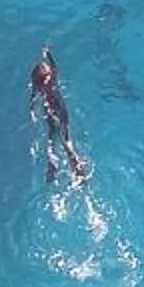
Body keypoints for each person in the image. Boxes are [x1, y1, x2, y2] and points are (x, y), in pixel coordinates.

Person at [28, 48, 90, 187]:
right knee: (66, 142)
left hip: (51, 115)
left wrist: (32, 112)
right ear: (46, 73)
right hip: (60, 113)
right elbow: (55, 66)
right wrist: (48, 53)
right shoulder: (52, 79)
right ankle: (79, 173)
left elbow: (33, 99)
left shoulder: (39, 86)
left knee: (52, 141)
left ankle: (52, 169)